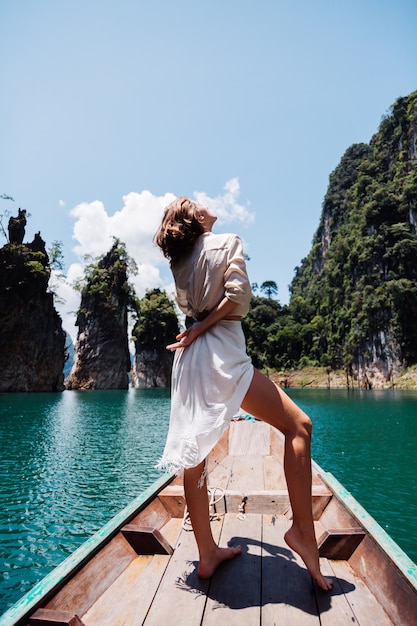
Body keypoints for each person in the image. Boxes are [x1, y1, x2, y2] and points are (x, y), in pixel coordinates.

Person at [155, 197, 332, 591]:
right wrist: (204, 327)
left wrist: (198, 327)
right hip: (220, 356)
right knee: (300, 427)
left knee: (194, 458)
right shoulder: (226, 242)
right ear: (198, 218)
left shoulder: (179, 261)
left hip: (189, 362)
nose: (208, 204)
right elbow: (238, 299)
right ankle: (302, 532)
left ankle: (207, 554)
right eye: (200, 203)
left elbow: (194, 309)